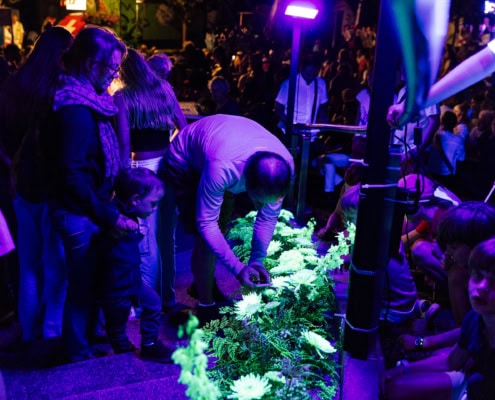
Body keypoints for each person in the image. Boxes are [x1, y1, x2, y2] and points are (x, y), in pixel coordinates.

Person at [48, 26, 136, 363]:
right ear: (89, 63)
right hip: (79, 212)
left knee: (90, 283)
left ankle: (84, 343)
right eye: (111, 68)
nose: (114, 75)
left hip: (89, 208)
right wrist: (108, 214)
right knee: (81, 288)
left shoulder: (89, 100)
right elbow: (71, 173)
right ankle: (78, 354)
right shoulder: (75, 108)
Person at [159, 115, 294, 325]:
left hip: (226, 151)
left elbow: (267, 219)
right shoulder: (222, 168)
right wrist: (239, 269)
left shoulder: (284, 166)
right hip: (186, 160)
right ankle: (205, 306)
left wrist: (257, 260)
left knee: (220, 229)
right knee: (205, 237)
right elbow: (207, 224)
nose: (269, 204)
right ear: (247, 186)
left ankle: (204, 283)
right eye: (261, 201)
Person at [0, 27, 74, 342]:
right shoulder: (62, 88)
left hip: (18, 184)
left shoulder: (14, 85)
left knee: (27, 265)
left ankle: (29, 332)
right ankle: (51, 334)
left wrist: (10, 170)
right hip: (52, 187)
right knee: (56, 266)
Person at [114, 48, 186, 310]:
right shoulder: (164, 88)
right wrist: (173, 153)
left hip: (142, 166)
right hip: (167, 164)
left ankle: (146, 303)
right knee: (167, 235)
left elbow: (124, 145)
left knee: (146, 239)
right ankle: (167, 297)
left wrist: (122, 182)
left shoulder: (123, 97)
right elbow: (183, 128)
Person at [381, 237, 495, 400]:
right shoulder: (475, 319)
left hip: (477, 388)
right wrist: (403, 368)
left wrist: (420, 343)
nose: (482, 287)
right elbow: (452, 362)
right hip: (468, 384)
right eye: (477, 275)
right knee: (393, 387)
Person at [96, 167, 173, 363]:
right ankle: (123, 356)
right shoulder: (113, 217)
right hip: (115, 287)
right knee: (117, 325)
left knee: (154, 303)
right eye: (153, 204)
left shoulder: (129, 213)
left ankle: (149, 344)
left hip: (133, 280)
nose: (154, 208)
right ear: (135, 199)